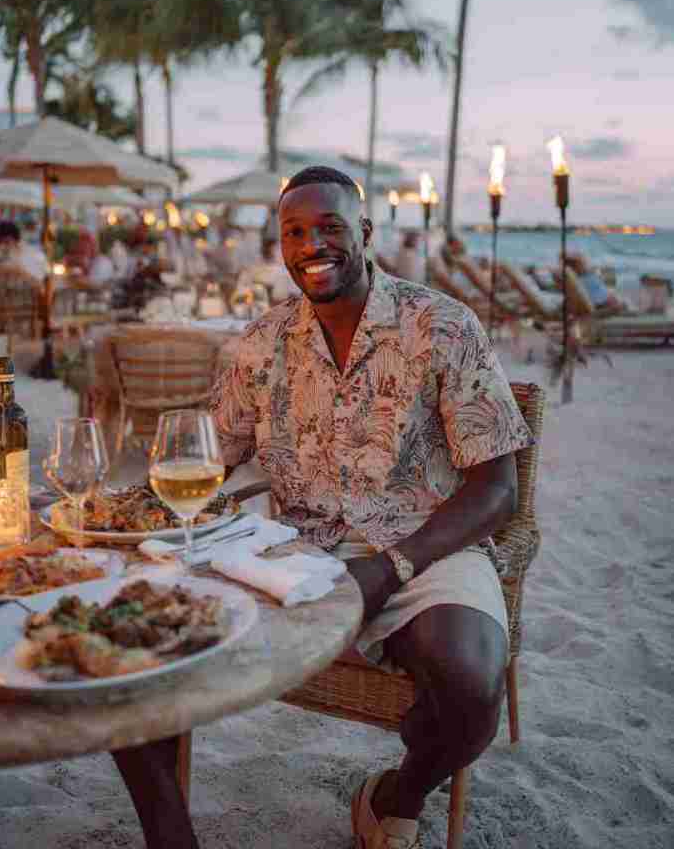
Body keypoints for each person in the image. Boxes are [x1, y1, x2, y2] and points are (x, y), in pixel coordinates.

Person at [210, 166, 533, 849]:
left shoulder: (442, 325)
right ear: (280, 245)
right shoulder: (257, 343)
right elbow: (210, 455)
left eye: (328, 227)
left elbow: (497, 489)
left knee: (473, 684)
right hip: (294, 551)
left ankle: (396, 792)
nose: (310, 244)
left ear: (362, 231)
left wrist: (389, 567)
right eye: (293, 232)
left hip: (426, 544)